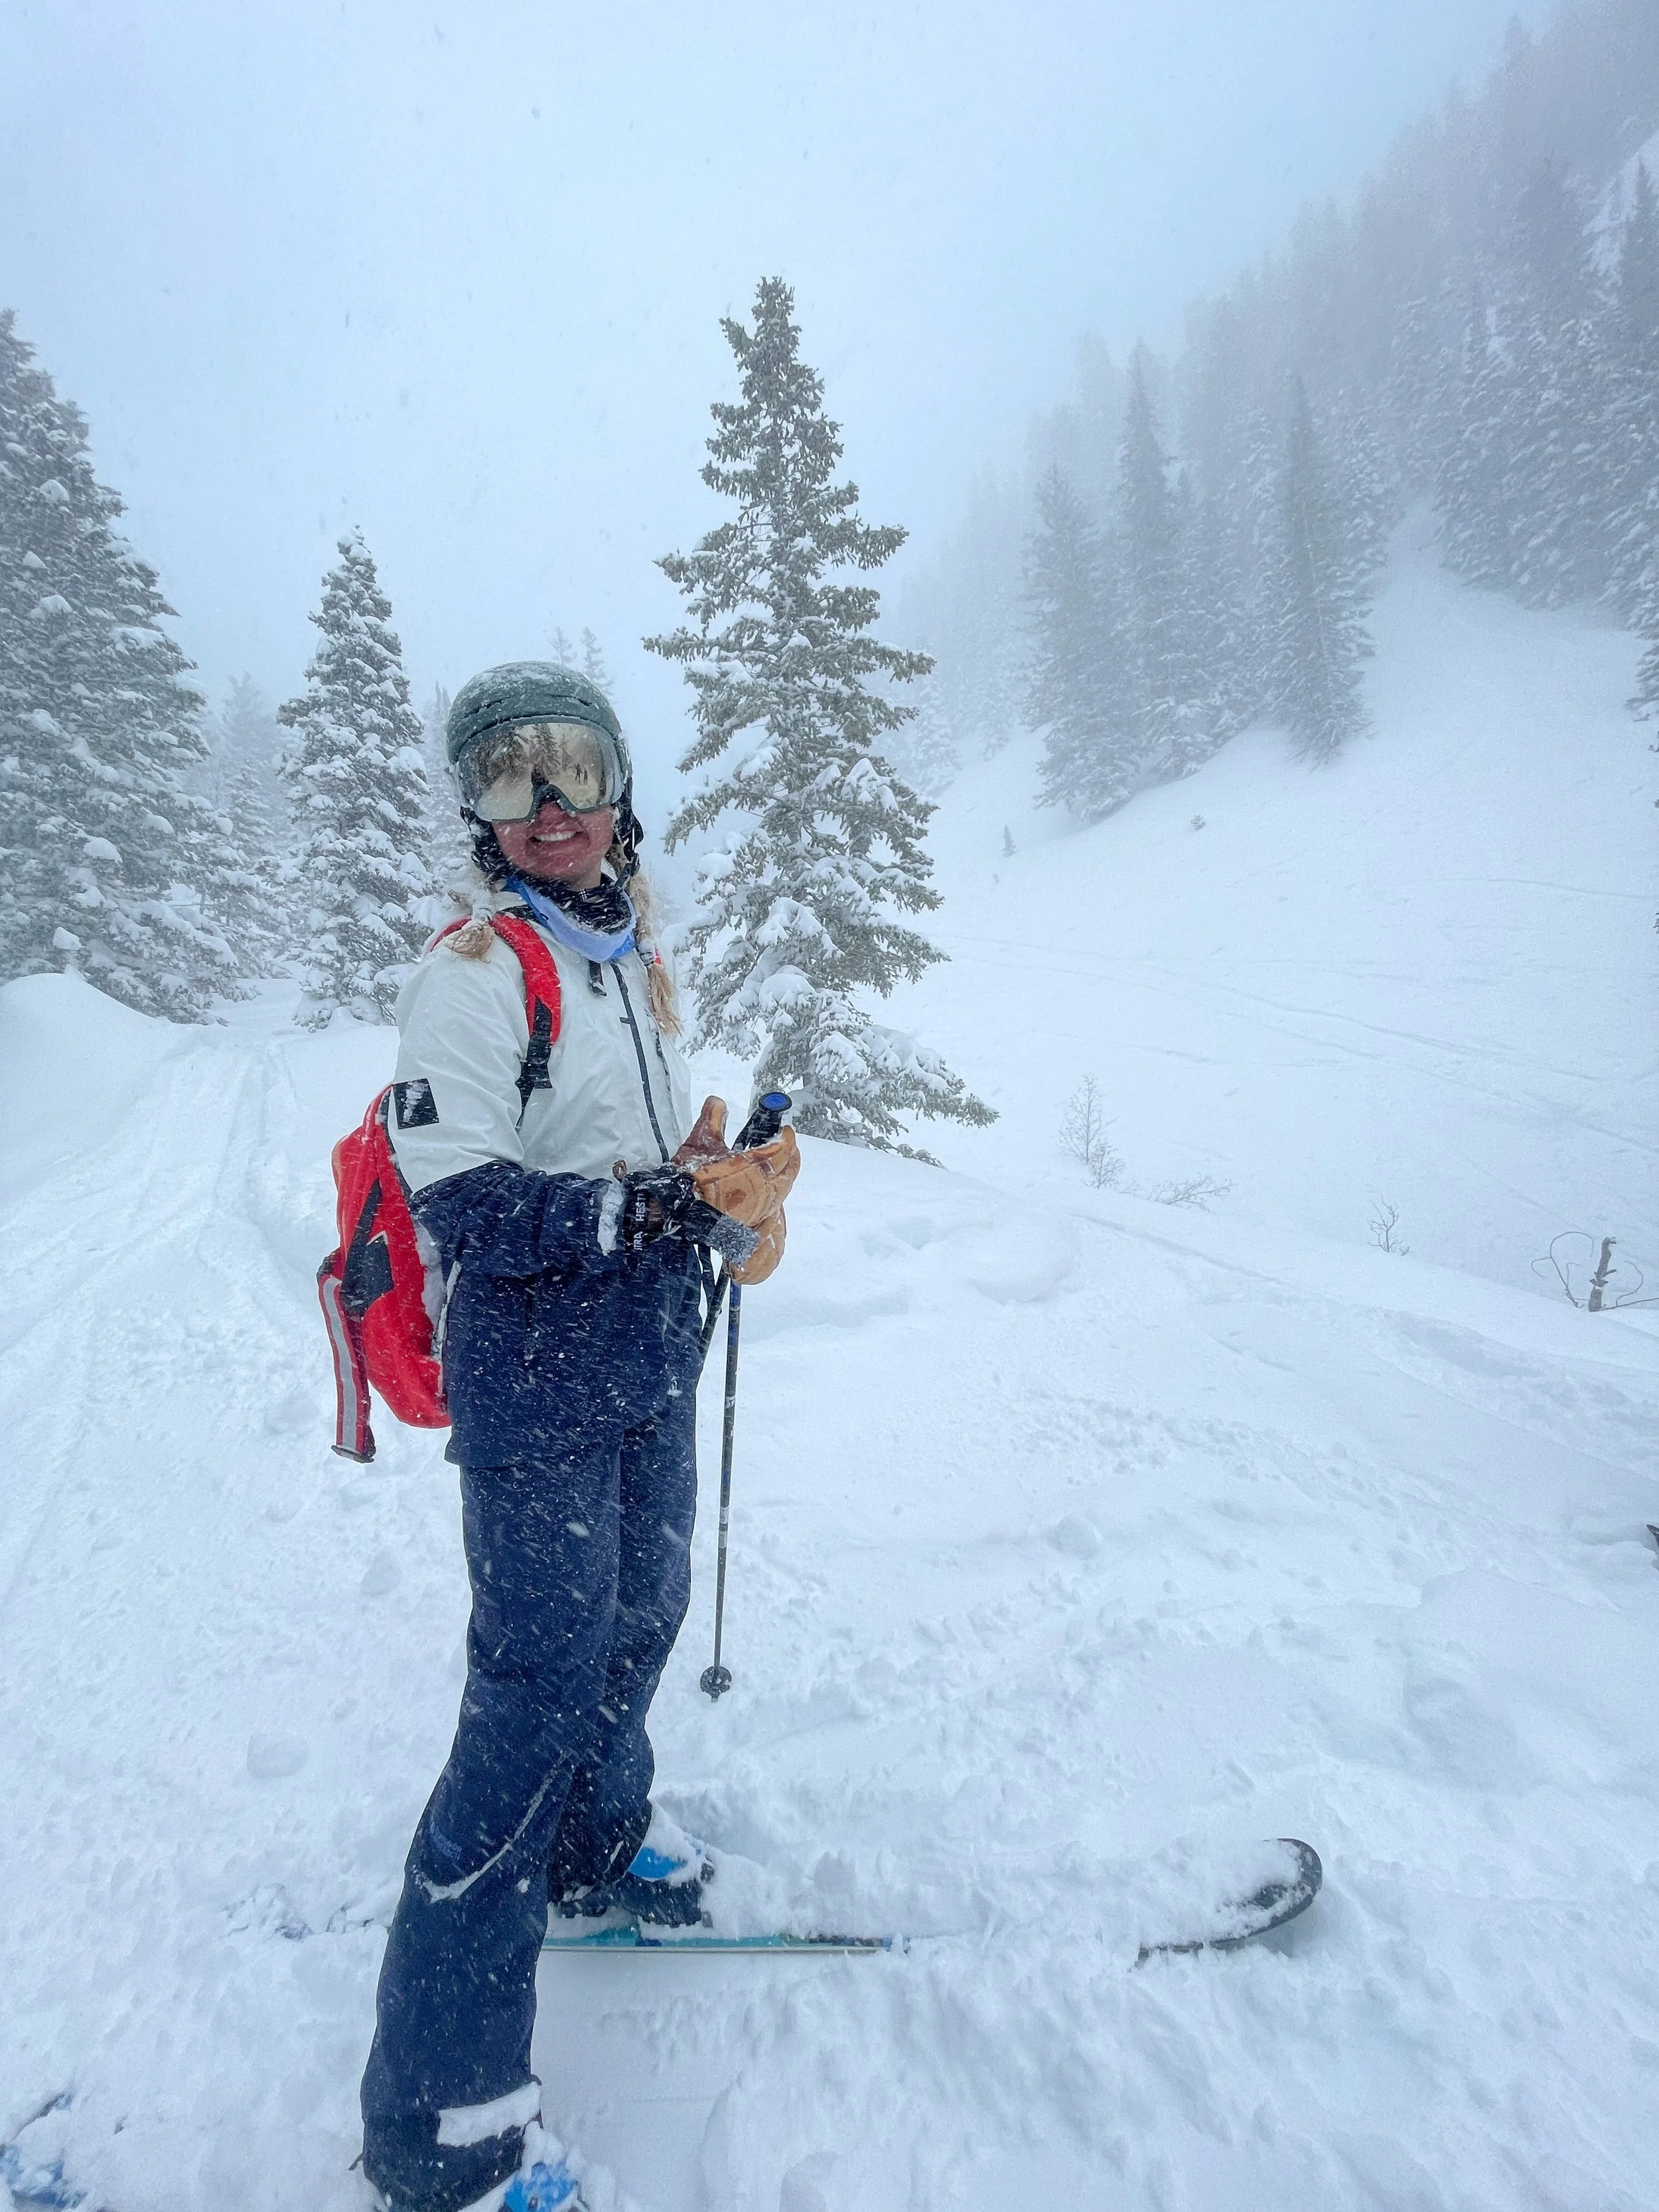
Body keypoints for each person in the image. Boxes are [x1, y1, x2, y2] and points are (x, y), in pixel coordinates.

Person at [358, 662, 798, 2212]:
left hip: (643, 1349)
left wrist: (713, 1172)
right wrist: (642, 1205)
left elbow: (616, 1151)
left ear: (619, 789)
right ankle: (442, 2134)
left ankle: (593, 1855)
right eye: (505, 780)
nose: (545, 811)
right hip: (536, 1379)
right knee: (528, 1703)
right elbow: (459, 1193)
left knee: (639, 1619)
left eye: (570, 773)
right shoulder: (475, 971)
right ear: (474, 810)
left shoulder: (623, 957)